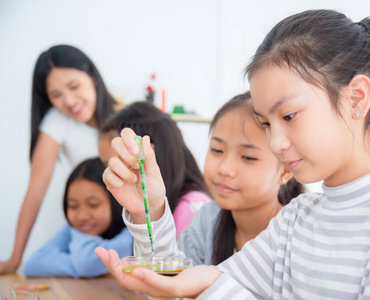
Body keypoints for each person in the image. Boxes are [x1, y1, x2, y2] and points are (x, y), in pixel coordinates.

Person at [96, 9, 370, 300]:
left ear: (356, 98)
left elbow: (211, 287)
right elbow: (185, 286)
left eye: (289, 116)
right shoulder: (297, 219)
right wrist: (149, 211)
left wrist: (214, 287)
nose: (276, 143)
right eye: (266, 124)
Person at [123, 93, 304, 264]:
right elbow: (171, 288)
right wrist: (147, 211)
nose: (224, 169)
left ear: (285, 171)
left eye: (248, 157)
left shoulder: (299, 237)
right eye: (217, 150)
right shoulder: (207, 222)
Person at [0, 45, 120, 274]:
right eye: (56, 95)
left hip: (126, 221)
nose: (69, 101)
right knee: (35, 265)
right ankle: (100, 265)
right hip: (90, 226)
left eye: (74, 87)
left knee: (89, 259)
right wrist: (15, 258)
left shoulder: (126, 115)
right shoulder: (57, 121)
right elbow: (36, 189)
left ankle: (100, 264)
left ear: (92, 76)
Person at [98, 101, 212, 239]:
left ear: (147, 153)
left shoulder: (192, 208)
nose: (111, 173)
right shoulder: (137, 206)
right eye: (107, 166)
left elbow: (164, 259)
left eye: (118, 163)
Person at [24, 157, 132, 278]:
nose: (82, 216)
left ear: (117, 201)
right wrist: (82, 265)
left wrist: (84, 263)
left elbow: (86, 264)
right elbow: (33, 264)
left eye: (93, 205)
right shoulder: (76, 228)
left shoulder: (133, 231)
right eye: (73, 206)